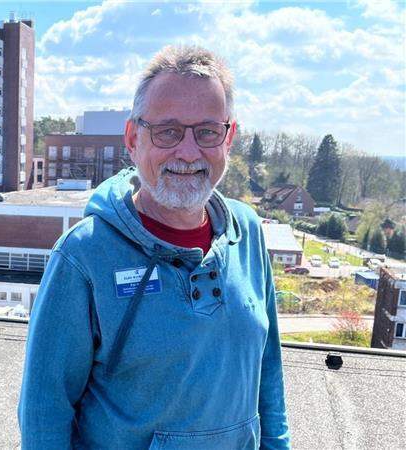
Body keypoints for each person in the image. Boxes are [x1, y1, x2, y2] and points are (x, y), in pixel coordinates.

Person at [18, 45, 290, 449]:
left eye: (207, 132)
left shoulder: (246, 232)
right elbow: (45, 414)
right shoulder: (84, 257)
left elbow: (267, 371)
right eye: (168, 131)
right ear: (132, 138)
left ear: (228, 138)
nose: (188, 151)